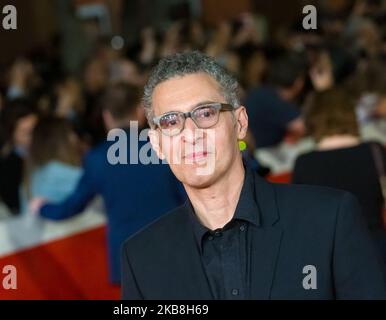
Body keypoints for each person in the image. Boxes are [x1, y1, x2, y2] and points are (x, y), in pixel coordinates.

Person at [121, 51, 386, 300]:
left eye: (205, 113)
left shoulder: (330, 219)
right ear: (157, 145)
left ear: (240, 124)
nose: (190, 134)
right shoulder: (141, 258)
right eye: (170, 121)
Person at [30, 83, 185, 284]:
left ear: (106, 116)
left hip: (129, 258)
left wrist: (42, 207)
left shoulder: (96, 159)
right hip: (176, 247)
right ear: (140, 112)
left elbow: (70, 207)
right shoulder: (166, 144)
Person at [293, 87, 386, 260]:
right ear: (351, 114)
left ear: (312, 119)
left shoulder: (305, 163)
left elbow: (301, 221)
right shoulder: (375, 151)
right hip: (376, 250)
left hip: (331, 256)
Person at [20, 116, 82, 213]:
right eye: (70, 133)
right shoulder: (62, 172)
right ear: (61, 140)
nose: (75, 138)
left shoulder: (31, 176)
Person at [244, 54, 306, 148]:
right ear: (299, 83)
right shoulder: (278, 103)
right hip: (263, 154)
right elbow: (302, 127)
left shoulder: (257, 92)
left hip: (250, 150)